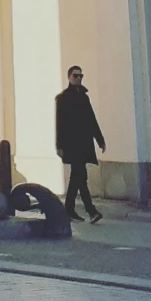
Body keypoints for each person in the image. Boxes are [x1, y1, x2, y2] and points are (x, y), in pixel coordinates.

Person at [55, 64, 105, 223]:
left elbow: (91, 119)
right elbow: (59, 124)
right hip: (71, 144)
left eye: (81, 76)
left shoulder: (84, 97)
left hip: (84, 143)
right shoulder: (62, 98)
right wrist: (59, 146)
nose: (78, 78)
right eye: (75, 76)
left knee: (79, 177)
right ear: (69, 77)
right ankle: (89, 210)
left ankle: (72, 209)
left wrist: (100, 139)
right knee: (79, 175)